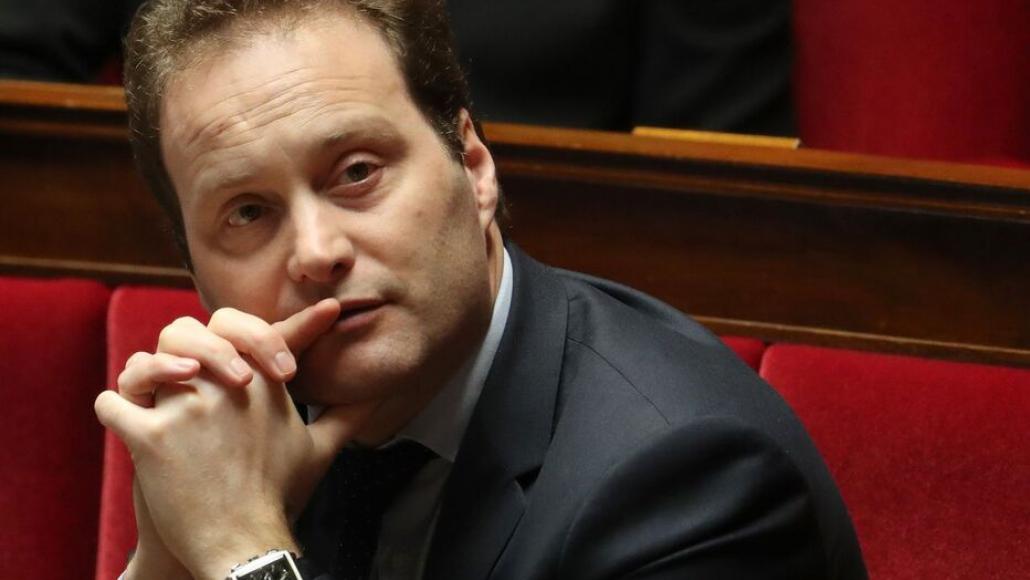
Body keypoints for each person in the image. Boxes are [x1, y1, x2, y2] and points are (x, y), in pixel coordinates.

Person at [93, 1, 865, 579]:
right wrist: (166, 557)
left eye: (358, 173)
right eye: (248, 213)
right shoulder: (245, 427)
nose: (316, 253)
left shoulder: (687, 478)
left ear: (473, 165)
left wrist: (243, 555)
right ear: (194, 275)